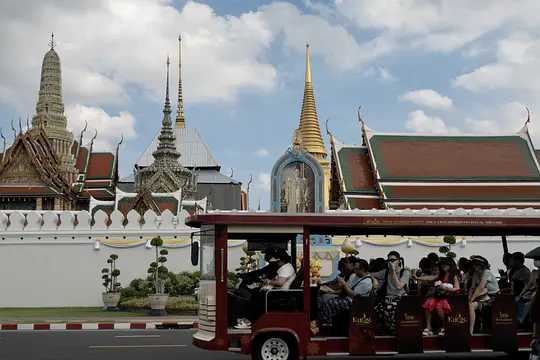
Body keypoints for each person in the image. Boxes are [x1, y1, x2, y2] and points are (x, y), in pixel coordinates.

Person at [317, 258, 373, 328]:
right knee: (327, 301)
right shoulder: (354, 276)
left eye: (356, 269)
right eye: (354, 268)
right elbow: (346, 289)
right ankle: (324, 322)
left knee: (330, 303)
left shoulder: (366, 282)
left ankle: (322, 322)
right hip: (347, 298)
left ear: (362, 269)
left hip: (356, 303)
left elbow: (353, 295)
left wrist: (344, 284)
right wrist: (341, 286)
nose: (354, 271)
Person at [414, 257, 460, 336]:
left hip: (448, 298)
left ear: (450, 265)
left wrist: (446, 288)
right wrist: (418, 278)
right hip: (439, 296)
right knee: (429, 303)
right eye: (442, 264)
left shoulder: (453, 275)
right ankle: (428, 327)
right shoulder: (441, 275)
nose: (443, 266)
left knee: (438, 306)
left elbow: (457, 288)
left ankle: (444, 326)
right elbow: (430, 277)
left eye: (446, 264)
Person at [373, 251, 411, 334]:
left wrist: (393, 271)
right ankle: (385, 331)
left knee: (390, 309)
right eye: (389, 261)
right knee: (376, 309)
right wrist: (374, 280)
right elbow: (372, 274)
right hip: (387, 298)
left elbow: (398, 286)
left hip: (400, 298)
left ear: (399, 261)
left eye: (393, 260)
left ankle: (395, 331)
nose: (390, 262)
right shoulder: (386, 271)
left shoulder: (405, 272)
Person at [468, 255, 500, 335]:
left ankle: (470, 331)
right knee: (469, 304)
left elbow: (480, 287)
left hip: (494, 297)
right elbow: (472, 288)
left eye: (476, 264)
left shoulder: (486, 272)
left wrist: (472, 299)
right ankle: (475, 328)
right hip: (483, 296)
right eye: (473, 265)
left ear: (481, 265)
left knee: (471, 305)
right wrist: (469, 298)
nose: (474, 266)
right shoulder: (476, 273)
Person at [516, 258, 540, 327]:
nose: (535, 261)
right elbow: (528, 285)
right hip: (531, 293)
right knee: (518, 300)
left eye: (537, 259)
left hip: (536, 294)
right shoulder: (534, 272)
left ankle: (521, 320)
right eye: (534, 260)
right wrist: (520, 295)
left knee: (528, 304)